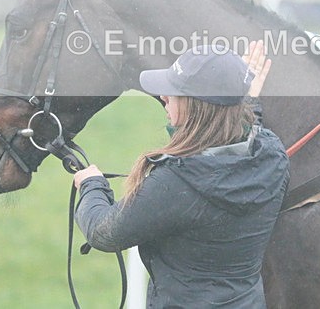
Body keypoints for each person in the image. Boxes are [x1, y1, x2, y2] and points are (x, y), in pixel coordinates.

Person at [73, 40, 289, 308]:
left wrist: (92, 185)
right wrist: (241, 101)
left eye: (174, 92)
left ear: (195, 107)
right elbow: (243, 138)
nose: (163, 96)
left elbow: (103, 231)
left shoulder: (175, 183)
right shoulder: (273, 157)